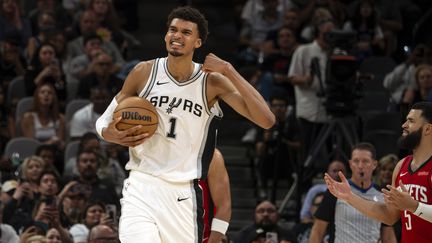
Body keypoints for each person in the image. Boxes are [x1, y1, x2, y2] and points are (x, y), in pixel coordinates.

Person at [95, 6, 275, 243]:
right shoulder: (144, 72)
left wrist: (229, 70)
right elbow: (104, 121)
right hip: (142, 184)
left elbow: (266, 120)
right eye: (173, 30)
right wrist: (110, 134)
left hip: (184, 194)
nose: (177, 36)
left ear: (198, 42)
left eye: (186, 32)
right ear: (165, 36)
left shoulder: (211, 82)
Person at [324, 102, 432, 242]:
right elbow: (389, 216)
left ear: (428, 129)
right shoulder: (401, 166)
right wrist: (350, 197)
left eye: (411, 121)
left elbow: (414, 207)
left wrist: (414, 206)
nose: (404, 125)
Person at [309, 142, 396, 243]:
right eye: (356, 161)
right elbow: (318, 231)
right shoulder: (335, 191)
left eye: (365, 161)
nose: (360, 166)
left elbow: (388, 236)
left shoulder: (383, 194)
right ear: (350, 164)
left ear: (374, 164)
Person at [233, 200, 297, 243]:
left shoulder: (288, 235)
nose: (265, 214)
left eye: (270, 211)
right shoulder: (244, 235)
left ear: (277, 215)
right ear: (254, 215)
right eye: (261, 211)